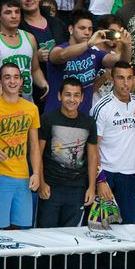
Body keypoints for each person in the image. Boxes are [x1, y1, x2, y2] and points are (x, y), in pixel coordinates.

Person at [91, 62, 135, 225]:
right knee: (100, 227)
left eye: (129, 78)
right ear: (112, 79)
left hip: (130, 173)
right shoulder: (102, 107)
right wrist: (100, 180)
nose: (126, 83)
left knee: (129, 226)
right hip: (106, 172)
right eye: (120, 78)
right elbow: (93, 147)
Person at [36, 76, 97, 227]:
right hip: (51, 186)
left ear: (82, 98)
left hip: (77, 188)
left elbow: (92, 156)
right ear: (59, 96)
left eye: (76, 95)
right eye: (67, 94)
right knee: (46, 233)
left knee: (70, 235)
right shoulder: (47, 119)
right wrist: (41, 183)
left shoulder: (89, 122)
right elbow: (38, 153)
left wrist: (91, 187)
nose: (72, 99)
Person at [0, 62, 42, 229]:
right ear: (0, 82)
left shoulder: (31, 108)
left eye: (16, 77)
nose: (12, 81)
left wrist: (36, 173)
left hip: (23, 177)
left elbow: (34, 145)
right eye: (7, 77)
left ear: (21, 81)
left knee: (19, 230)